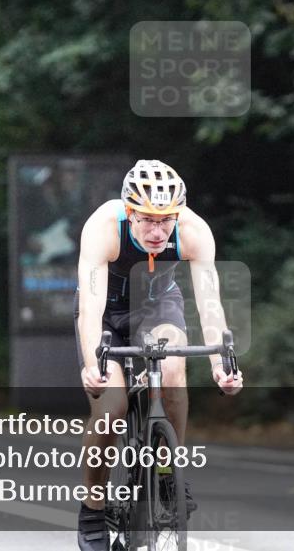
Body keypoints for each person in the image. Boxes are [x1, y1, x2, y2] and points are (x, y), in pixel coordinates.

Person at [74, 160, 243, 551]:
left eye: (165, 220)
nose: (157, 230)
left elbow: (210, 303)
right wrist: (90, 362)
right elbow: (91, 305)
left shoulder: (193, 231)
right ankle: (94, 503)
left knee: (172, 372)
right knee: (112, 409)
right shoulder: (104, 228)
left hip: (158, 306)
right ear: (129, 211)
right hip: (107, 315)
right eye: (147, 219)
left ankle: (171, 473)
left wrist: (222, 367)